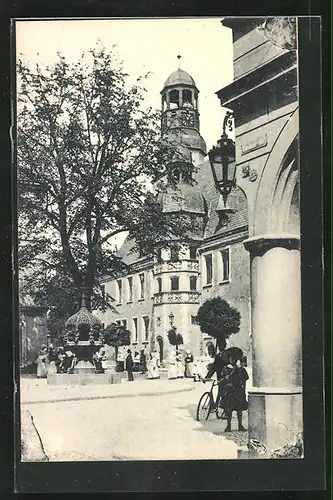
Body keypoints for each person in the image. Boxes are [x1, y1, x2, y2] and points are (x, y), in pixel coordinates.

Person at [219, 355, 249, 432]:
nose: (233, 360)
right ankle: (228, 426)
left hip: (238, 391)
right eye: (231, 358)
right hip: (229, 391)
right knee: (229, 410)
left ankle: (240, 425)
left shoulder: (241, 369)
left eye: (234, 359)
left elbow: (244, 381)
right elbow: (225, 378)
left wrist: (244, 391)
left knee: (239, 409)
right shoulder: (226, 368)